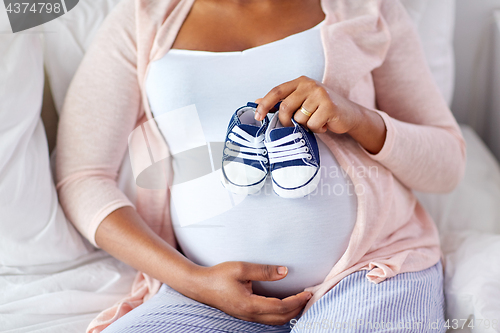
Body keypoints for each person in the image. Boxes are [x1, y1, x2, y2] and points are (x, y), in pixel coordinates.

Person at [56, 0, 466, 332]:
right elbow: (82, 178)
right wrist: (192, 281)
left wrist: (360, 119)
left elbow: (448, 164)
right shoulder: (143, 20)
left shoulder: (365, 7)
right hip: (205, 294)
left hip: (371, 272)